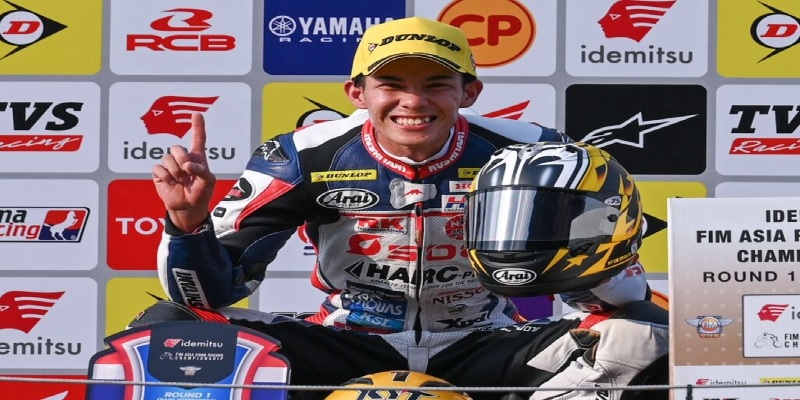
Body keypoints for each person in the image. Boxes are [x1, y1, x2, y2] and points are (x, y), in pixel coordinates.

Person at [141, 16, 667, 400]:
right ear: (357, 92)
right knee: (172, 330)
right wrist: (187, 223)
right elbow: (208, 294)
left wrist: (607, 268)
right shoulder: (302, 155)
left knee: (648, 331)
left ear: (469, 92)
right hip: (346, 341)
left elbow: (611, 292)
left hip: (485, 342)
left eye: (436, 85)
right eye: (391, 85)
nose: (413, 102)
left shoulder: (532, 151)